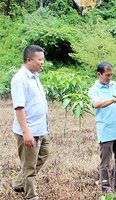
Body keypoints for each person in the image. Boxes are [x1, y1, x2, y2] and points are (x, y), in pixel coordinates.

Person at [10, 45, 49, 200]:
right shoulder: (19, 79)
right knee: (29, 167)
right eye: (39, 60)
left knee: (44, 154)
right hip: (29, 130)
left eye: (43, 59)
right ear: (28, 60)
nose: (42, 63)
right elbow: (19, 108)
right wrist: (26, 132)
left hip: (41, 128)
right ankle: (31, 196)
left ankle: (19, 182)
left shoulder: (34, 76)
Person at [88, 61, 116, 194]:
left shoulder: (115, 86)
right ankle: (106, 188)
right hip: (106, 131)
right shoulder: (94, 90)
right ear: (99, 74)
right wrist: (113, 99)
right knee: (105, 164)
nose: (109, 78)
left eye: (111, 75)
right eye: (107, 75)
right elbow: (96, 104)